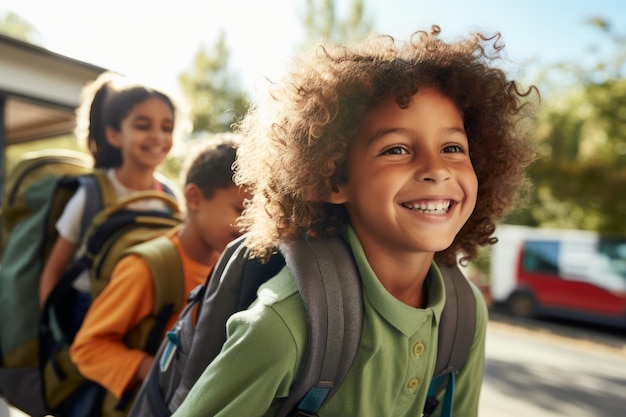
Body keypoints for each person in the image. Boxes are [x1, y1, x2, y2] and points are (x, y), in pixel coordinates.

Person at [171, 25, 538, 417]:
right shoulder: (285, 325)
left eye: (452, 147)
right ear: (334, 179)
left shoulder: (462, 314)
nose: (437, 169)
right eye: (396, 149)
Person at [69, 134, 250, 411]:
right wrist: (155, 369)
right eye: (240, 209)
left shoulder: (230, 266)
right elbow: (87, 349)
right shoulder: (147, 268)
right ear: (194, 198)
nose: (248, 225)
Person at [38, 71, 178, 321]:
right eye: (142, 126)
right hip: (89, 310)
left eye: (166, 127)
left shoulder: (169, 197)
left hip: (143, 311)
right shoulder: (91, 195)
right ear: (113, 134)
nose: (158, 136)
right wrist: (51, 330)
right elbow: (54, 269)